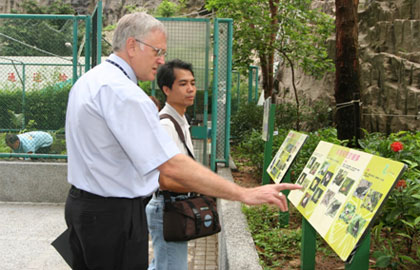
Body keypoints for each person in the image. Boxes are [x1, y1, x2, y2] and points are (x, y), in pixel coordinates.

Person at [63, 12, 301, 270]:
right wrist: (243, 193)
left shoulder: (90, 80)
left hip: (83, 208)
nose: (161, 60)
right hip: (113, 217)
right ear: (132, 45)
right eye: (157, 51)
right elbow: (172, 166)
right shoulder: (124, 93)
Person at [146, 59, 198, 270]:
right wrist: (200, 185)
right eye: (183, 84)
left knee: (162, 264)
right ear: (166, 89)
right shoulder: (166, 124)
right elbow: (164, 179)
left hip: (174, 206)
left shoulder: (181, 121)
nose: (191, 89)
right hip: (167, 207)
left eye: (193, 83)